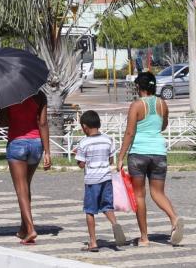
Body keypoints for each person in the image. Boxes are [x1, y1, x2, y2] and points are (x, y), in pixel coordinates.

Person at [116, 71, 183, 247]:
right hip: (159, 152)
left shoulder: (137, 105)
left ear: (139, 87)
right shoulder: (162, 104)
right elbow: (164, 125)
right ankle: (174, 219)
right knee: (158, 192)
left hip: (138, 153)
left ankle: (144, 237)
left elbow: (130, 132)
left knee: (139, 195)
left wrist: (120, 156)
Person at [0, 92, 51, 244]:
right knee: (26, 186)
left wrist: (1, 108)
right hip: (36, 144)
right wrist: (47, 152)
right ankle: (23, 228)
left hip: (17, 143)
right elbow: (43, 123)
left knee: (21, 189)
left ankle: (30, 229)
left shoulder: (6, 96)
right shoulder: (40, 95)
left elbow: (3, 122)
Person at [75, 110, 127, 252]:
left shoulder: (84, 143)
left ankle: (93, 242)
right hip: (106, 178)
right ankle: (115, 224)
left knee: (90, 211)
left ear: (85, 126)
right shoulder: (107, 139)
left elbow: (81, 164)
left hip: (92, 180)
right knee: (107, 206)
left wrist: (77, 156)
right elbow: (110, 159)